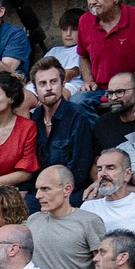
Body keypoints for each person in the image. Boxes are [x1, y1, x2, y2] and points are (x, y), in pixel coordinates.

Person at [30, 57, 94, 204]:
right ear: (35, 89)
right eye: (42, 84)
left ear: (63, 83)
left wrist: (54, 192)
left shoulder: (77, 117)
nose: (48, 88)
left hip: (69, 191)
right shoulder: (35, 119)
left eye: (53, 82)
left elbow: (80, 168)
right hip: (39, 192)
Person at [77, 0, 135, 115]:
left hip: (134, 87)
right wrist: (88, 81)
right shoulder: (84, 21)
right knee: (78, 102)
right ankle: (100, 135)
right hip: (101, 90)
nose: (92, 1)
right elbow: (83, 56)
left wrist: (128, 83)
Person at [88, 149, 135, 234]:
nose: (103, 173)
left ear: (127, 174)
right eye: (99, 169)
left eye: (110, 168)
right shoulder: (89, 207)